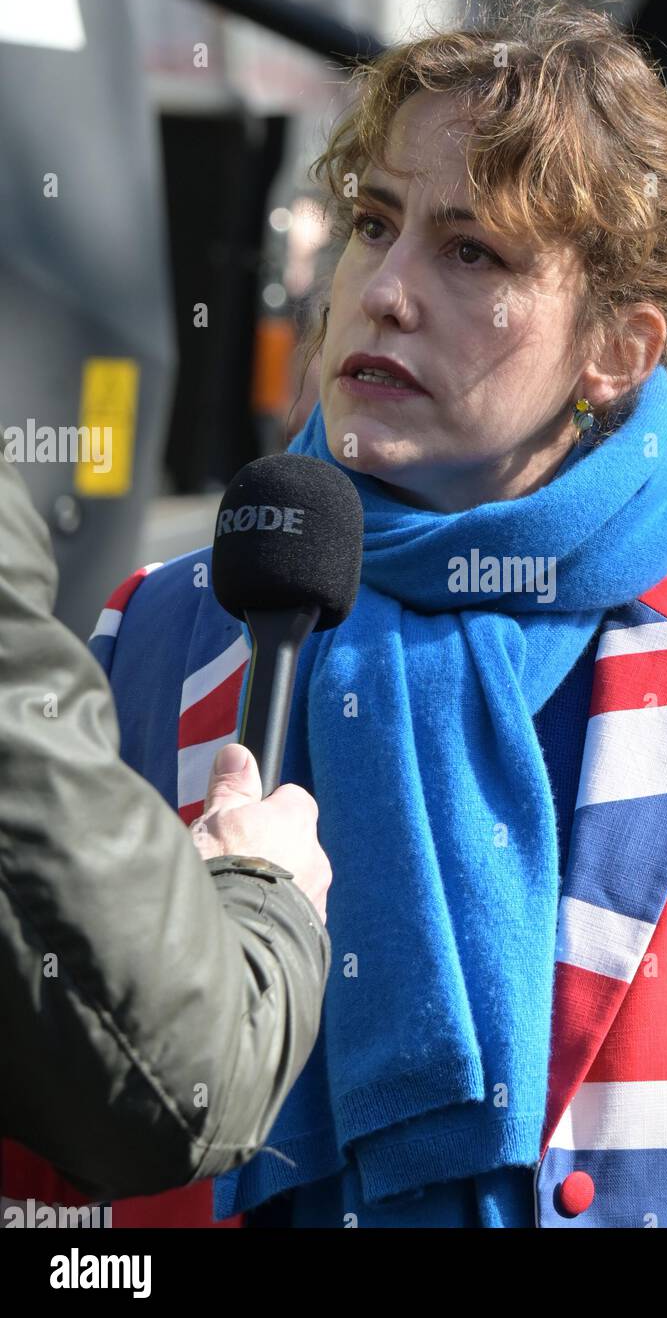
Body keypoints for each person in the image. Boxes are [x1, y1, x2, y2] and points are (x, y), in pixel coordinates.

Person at [38, 0, 667, 1228]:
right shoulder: (164, 632)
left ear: (617, 346)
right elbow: (52, 1173)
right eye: (372, 223)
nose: (384, 291)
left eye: (471, 251)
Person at [0, 451, 332, 1207]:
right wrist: (259, 894)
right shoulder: (155, 615)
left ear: (615, 354)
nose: (390, 320)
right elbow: (146, 1080)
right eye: (329, 316)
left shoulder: (656, 642)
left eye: (475, 316)